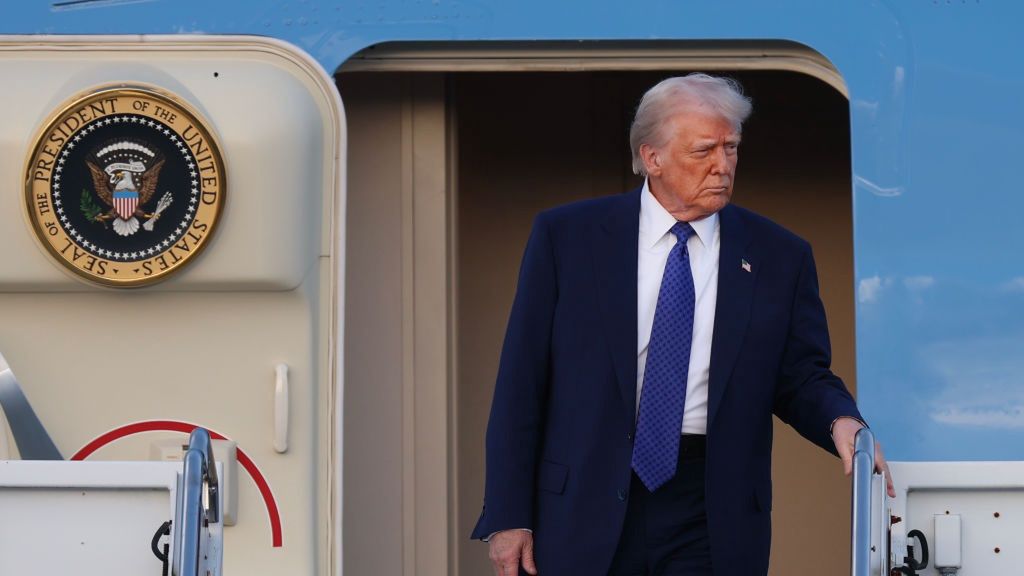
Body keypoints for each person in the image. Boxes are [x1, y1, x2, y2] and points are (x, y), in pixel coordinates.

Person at [471, 73, 894, 576]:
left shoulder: (780, 255)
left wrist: (840, 419)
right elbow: (522, 383)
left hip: (710, 503)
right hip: (585, 493)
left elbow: (800, 373)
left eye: (731, 147)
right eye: (704, 151)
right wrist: (508, 515)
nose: (723, 165)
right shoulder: (567, 238)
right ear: (652, 157)